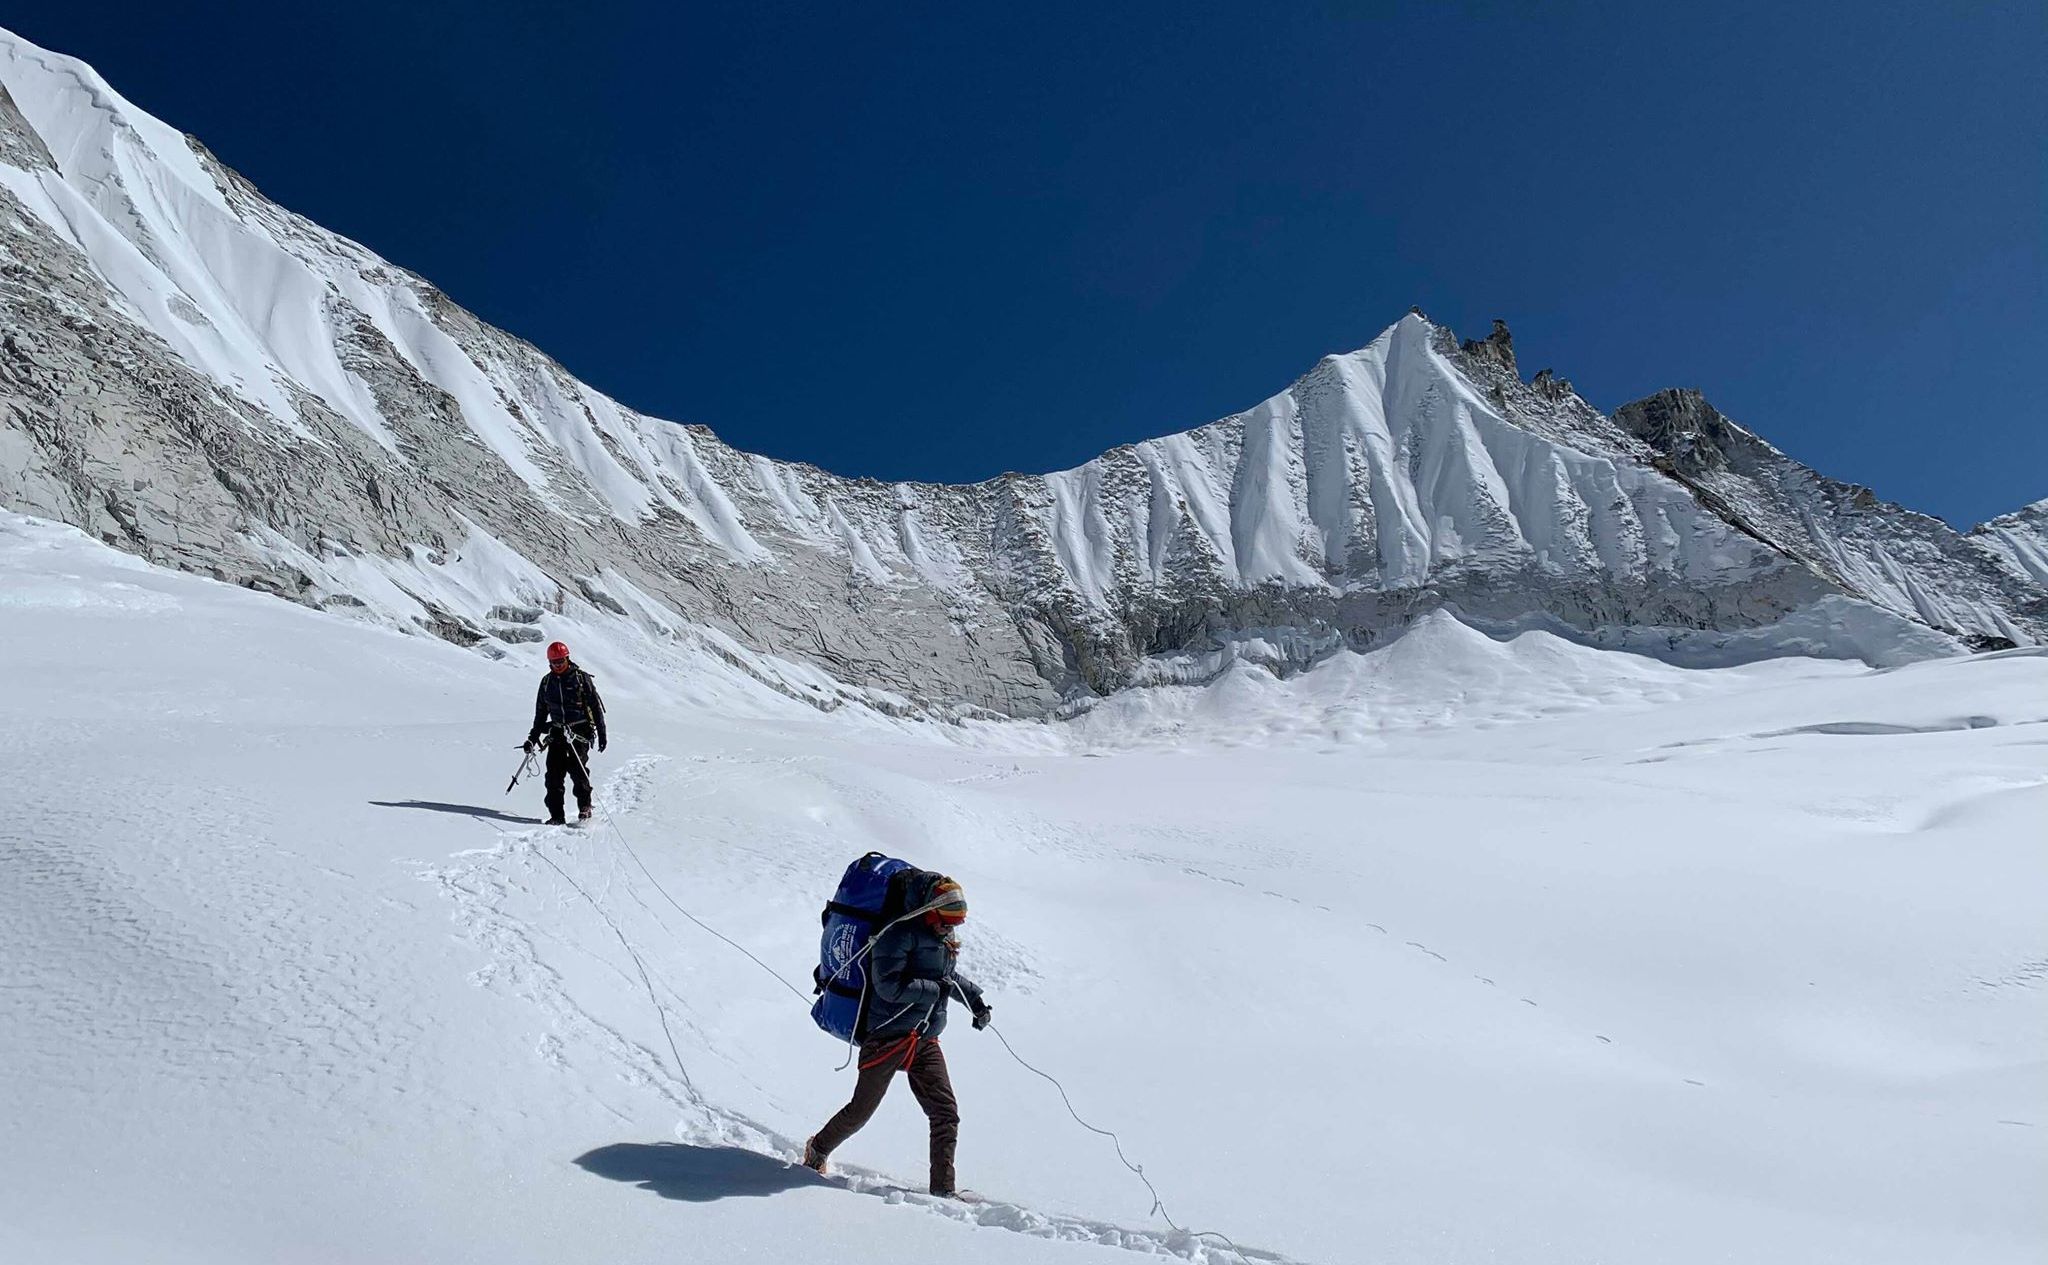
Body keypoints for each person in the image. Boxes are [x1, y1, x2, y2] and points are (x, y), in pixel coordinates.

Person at [803, 874, 991, 1197]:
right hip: (887, 1036)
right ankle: (816, 1149)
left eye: (955, 924)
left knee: (945, 1113)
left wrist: (975, 1002)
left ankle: (943, 1193)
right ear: (932, 912)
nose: (951, 929)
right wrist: (933, 990)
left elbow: (948, 977)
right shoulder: (896, 935)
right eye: (947, 922)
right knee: (860, 1111)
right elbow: (888, 986)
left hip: (923, 1038)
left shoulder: (941, 939)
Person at [523, 641, 607, 825]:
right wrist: (532, 738)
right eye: (554, 662)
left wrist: (602, 733)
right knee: (553, 776)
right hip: (557, 733)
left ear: (567, 658)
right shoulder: (547, 683)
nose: (558, 665)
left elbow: (595, 706)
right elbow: (540, 714)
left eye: (561, 661)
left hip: (580, 732)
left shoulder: (580, 679)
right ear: (549, 663)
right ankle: (557, 816)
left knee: (579, 772)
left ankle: (585, 806)